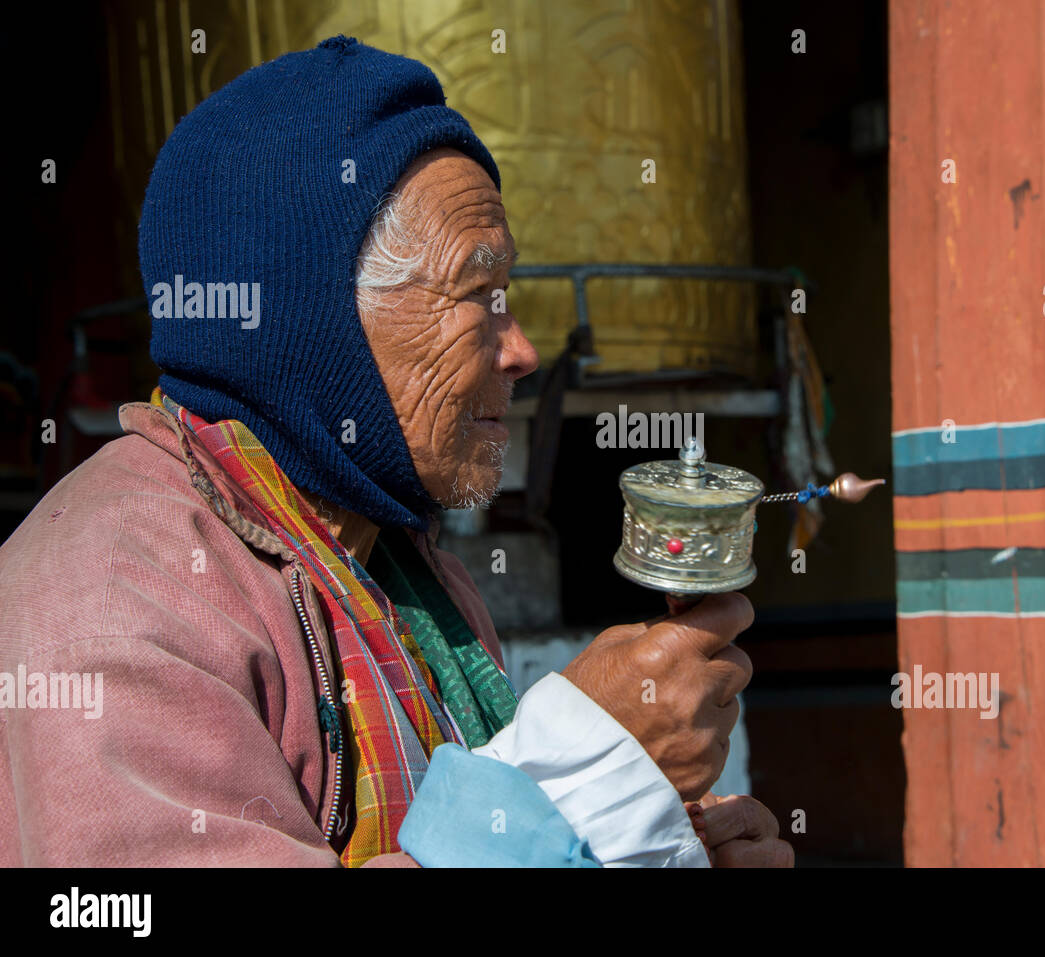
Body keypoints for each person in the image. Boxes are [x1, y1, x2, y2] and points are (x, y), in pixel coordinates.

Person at [0, 36, 791, 868]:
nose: (520, 349)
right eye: (475, 294)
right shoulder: (116, 602)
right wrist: (581, 773)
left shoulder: (415, 585)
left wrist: (648, 843)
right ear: (313, 319)